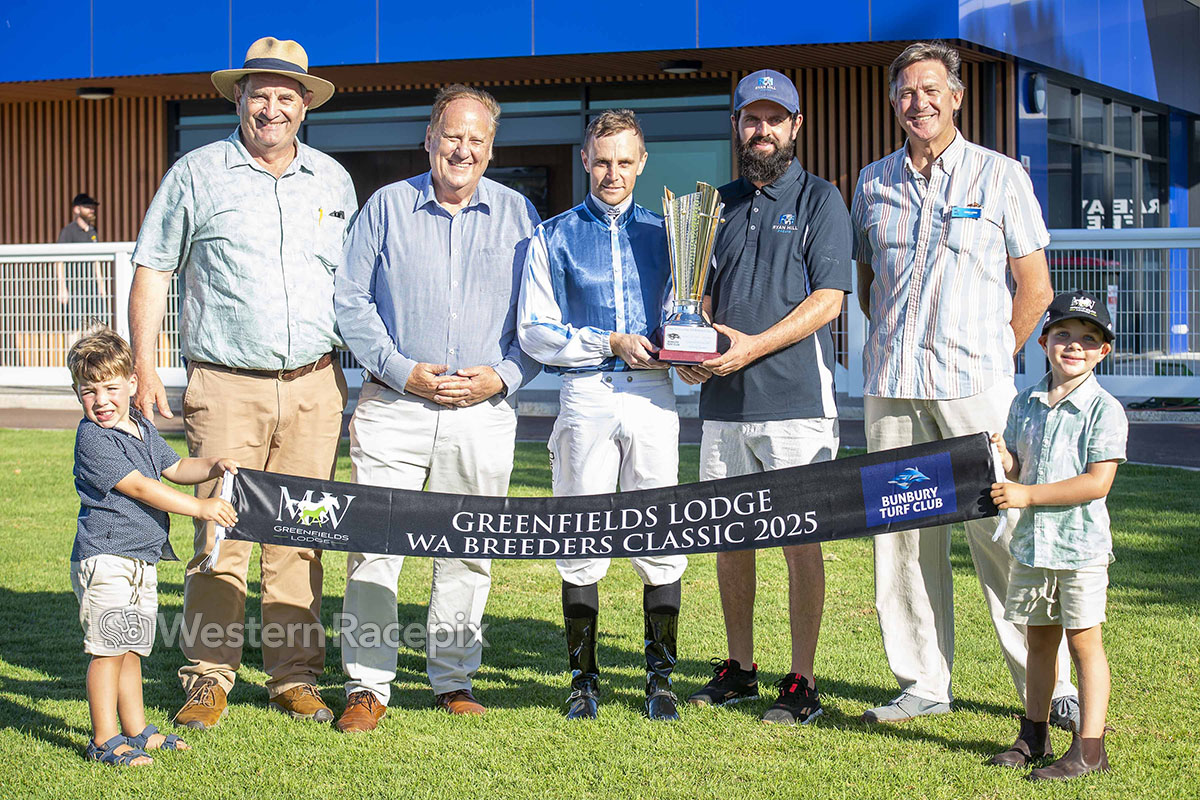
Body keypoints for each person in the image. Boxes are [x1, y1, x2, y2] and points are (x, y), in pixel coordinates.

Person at [128, 37, 357, 729]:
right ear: (237, 99)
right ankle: (207, 678)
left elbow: (353, 284)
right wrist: (144, 365)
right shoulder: (197, 174)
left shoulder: (333, 181)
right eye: (259, 93)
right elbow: (153, 268)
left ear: (305, 106)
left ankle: (294, 677)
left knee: (302, 536)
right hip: (226, 386)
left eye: (287, 96)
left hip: (317, 386)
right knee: (219, 534)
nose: (272, 107)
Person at [851, 40, 1079, 726]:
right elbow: (870, 288)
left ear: (955, 96)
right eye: (904, 93)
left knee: (1004, 534)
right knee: (904, 542)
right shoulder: (871, 182)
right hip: (892, 388)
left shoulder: (1000, 175)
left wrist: (993, 356)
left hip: (975, 390)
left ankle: (1051, 685)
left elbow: (1035, 290)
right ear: (893, 103)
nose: (916, 102)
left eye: (929, 90)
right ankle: (922, 683)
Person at [332, 85, 540, 732]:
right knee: (375, 547)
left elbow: (539, 319)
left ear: (491, 149)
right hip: (395, 405)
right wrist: (400, 371)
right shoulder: (387, 207)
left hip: (482, 412)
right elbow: (349, 301)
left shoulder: (520, 215)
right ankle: (368, 687)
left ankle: (453, 679)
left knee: (469, 549)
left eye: (478, 140)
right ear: (429, 138)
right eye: (453, 136)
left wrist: (502, 378)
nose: (464, 149)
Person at [679, 69, 852, 725]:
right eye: (751, 118)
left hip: (797, 404)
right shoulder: (711, 206)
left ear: (795, 126)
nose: (762, 129)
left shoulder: (819, 199)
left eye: (774, 118)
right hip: (723, 406)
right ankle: (740, 667)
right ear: (737, 125)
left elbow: (828, 300)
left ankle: (802, 679)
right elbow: (696, 301)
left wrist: (750, 347)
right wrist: (691, 355)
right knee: (731, 539)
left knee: (798, 542)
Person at [517, 109, 684, 721]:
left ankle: (659, 678)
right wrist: (606, 340)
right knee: (580, 531)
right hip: (586, 393)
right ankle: (582, 680)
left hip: (653, 394)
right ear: (585, 160)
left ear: (641, 163)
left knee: (660, 530)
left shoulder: (672, 234)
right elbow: (534, 331)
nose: (612, 172)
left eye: (624, 161)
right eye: (602, 160)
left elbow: (687, 312)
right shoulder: (552, 234)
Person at [67, 327, 239, 765]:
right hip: (106, 558)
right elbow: (142, 488)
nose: (101, 401)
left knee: (130, 651)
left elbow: (176, 466)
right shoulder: (93, 439)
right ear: (77, 393)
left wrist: (213, 465)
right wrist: (200, 510)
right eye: (89, 392)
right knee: (108, 651)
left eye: (110, 388)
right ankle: (104, 740)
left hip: (141, 559)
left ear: (131, 385)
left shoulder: (141, 426)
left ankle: (137, 730)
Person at [987, 291, 1125, 780]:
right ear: (1043, 341)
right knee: (1039, 641)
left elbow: (1096, 482)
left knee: (1084, 642)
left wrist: (1026, 494)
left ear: (1102, 352)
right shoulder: (1025, 402)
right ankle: (1034, 734)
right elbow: (1020, 467)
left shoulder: (1103, 410)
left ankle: (1090, 748)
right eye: (1063, 334)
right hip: (1031, 546)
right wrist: (1004, 458)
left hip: (1079, 548)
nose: (1074, 346)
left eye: (1088, 340)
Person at [55, 193, 107, 324]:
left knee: (96, 325)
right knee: (74, 326)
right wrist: (62, 287)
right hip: (74, 287)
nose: (91, 210)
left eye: (92, 207)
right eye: (87, 206)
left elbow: (96, 259)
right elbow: (59, 259)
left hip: (92, 287)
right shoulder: (68, 231)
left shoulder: (93, 231)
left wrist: (101, 284)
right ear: (77, 209)